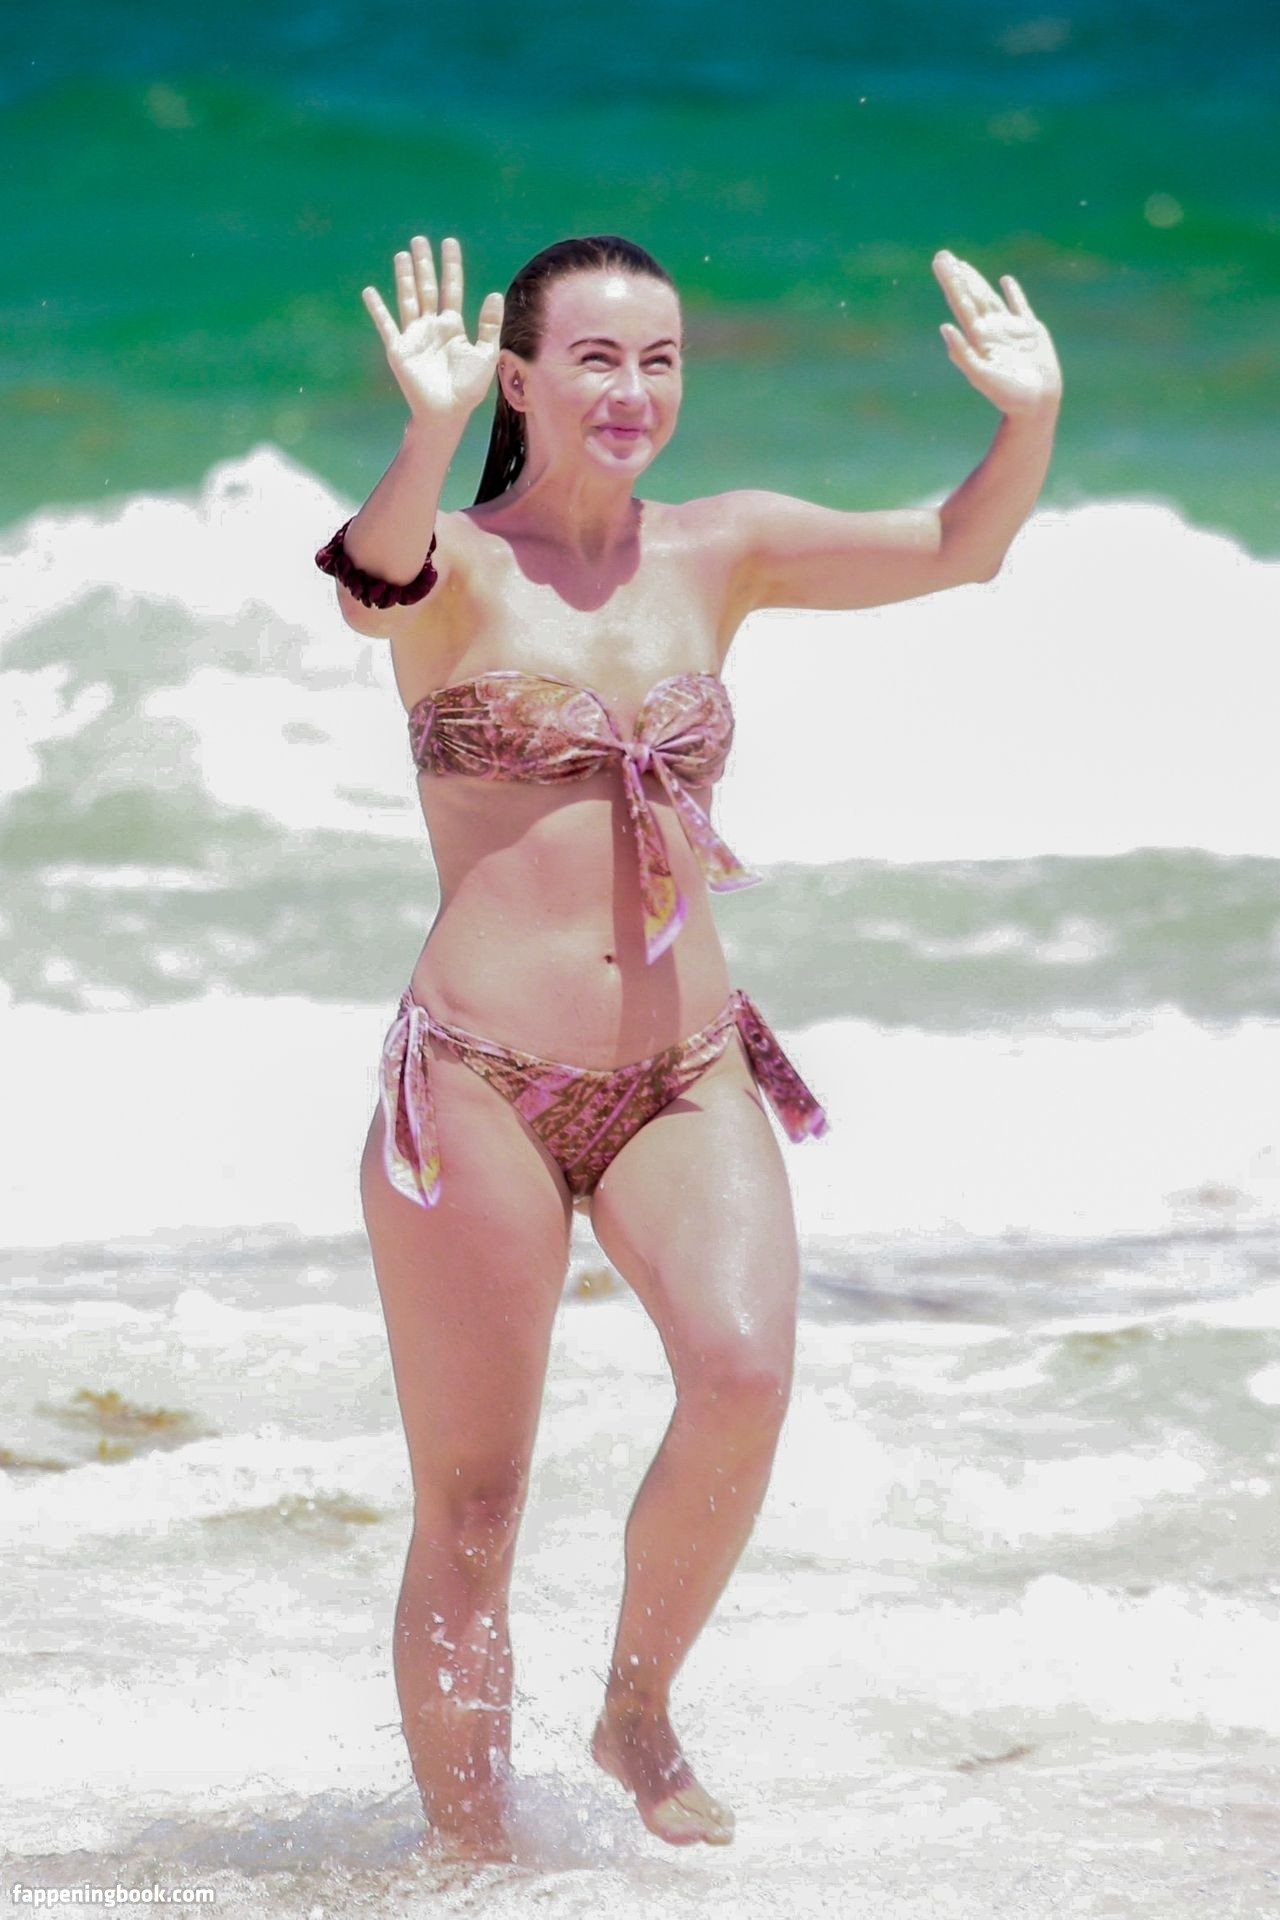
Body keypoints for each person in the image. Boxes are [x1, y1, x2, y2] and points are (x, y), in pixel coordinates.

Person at [316, 232, 1061, 1859]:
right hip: (476, 1085)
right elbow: (371, 583)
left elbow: (961, 548)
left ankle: (637, 1702)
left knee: (741, 1373)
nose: (633, 390)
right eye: (595, 358)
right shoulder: (455, 563)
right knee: (477, 1503)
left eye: (659, 360)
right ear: (521, 380)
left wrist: (1032, 418)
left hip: (684, 1072)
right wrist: (429, 429)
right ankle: (472, 1863)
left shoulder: (724, 548)